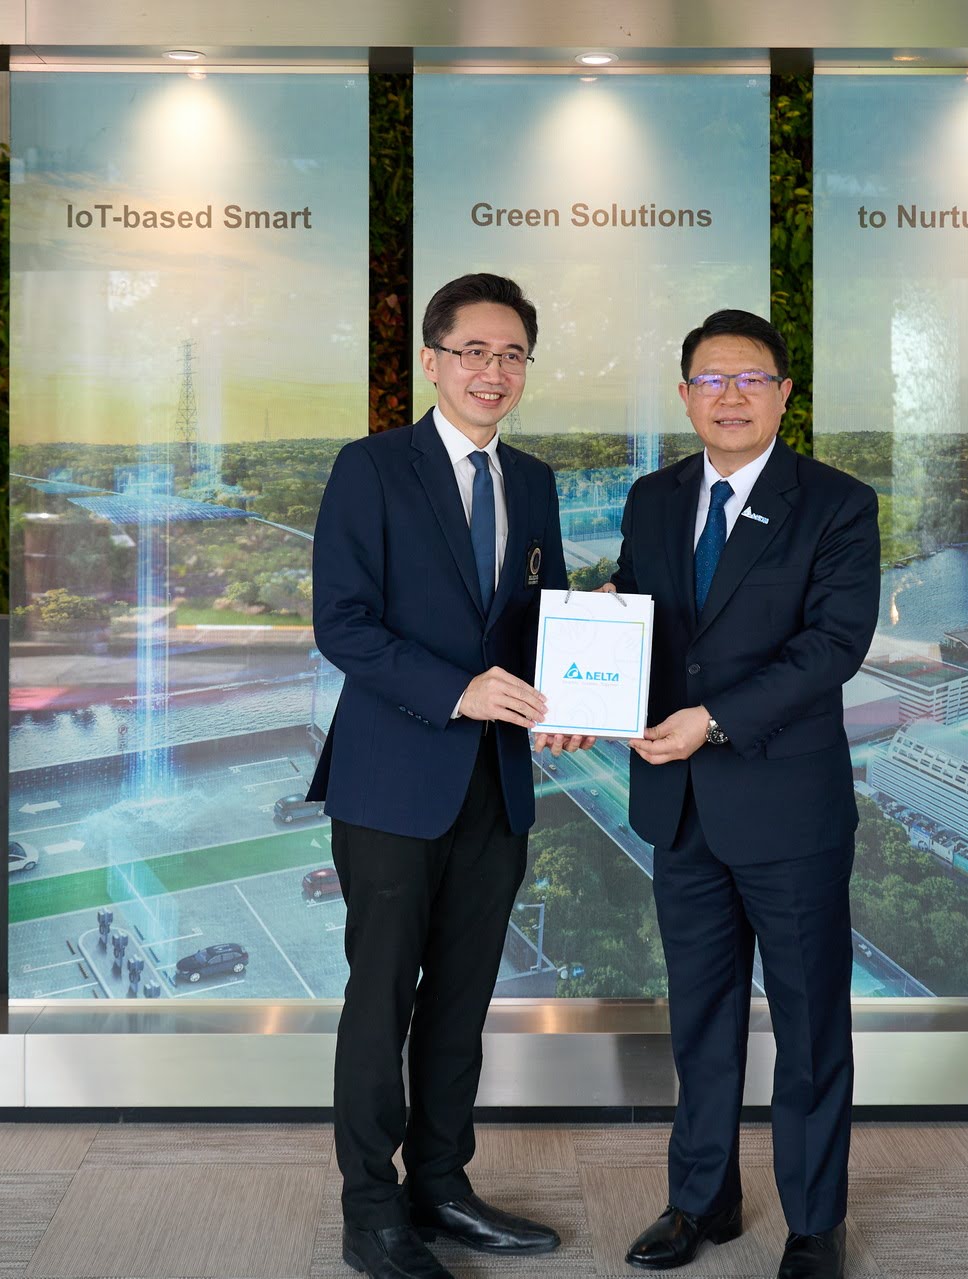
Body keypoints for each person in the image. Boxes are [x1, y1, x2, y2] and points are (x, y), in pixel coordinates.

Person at [308, 272, 591, 1279]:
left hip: (497, 784)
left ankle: (440, 1184)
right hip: (392, 781)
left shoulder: (537, 483)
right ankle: (369, 1210)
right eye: (473, 351)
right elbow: (343, 623)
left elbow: (544, 618)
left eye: (512, 354)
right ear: (432, 361)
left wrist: (569, 701)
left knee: (462, 1000)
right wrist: (459, 690)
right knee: (380, 1000)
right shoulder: (372, 467)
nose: (492, 371)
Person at [606, 309, 879, 1279]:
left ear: (784, 394)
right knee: (701, 1017)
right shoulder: (652, 498)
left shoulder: (836, 504)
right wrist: (588, 678)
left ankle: (814, 1221)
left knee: (809, 1024)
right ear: (685, 395)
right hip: (678, 807)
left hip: (787, 810)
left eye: (750, 378)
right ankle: (702, 1200)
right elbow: (636, 616)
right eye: (711, 380)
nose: (730, 396)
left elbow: (832, 647)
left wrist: (712, 719)